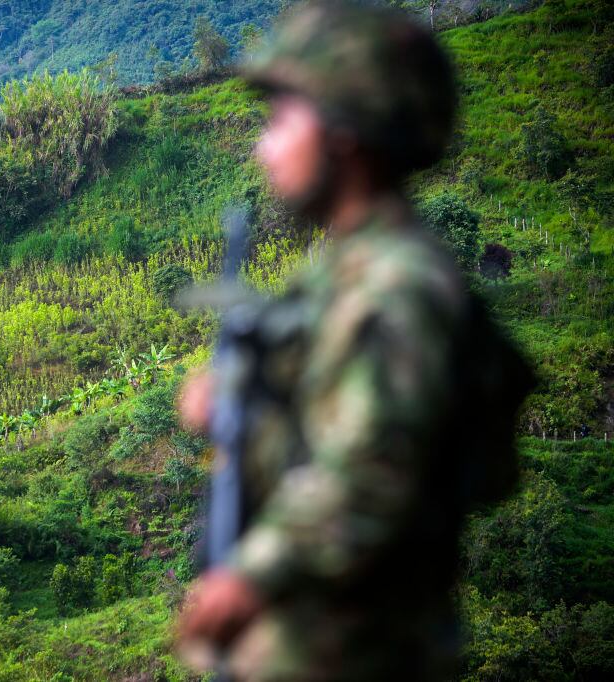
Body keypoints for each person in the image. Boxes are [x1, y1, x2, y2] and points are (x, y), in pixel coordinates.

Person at [175, 2, 533, 680]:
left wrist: (251, 576)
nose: (263, 148)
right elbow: (323, 418)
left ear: (344, 131)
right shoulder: (342, 275)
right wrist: (232, 404)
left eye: (281, 120)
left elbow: (373, 468)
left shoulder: (396, 284)